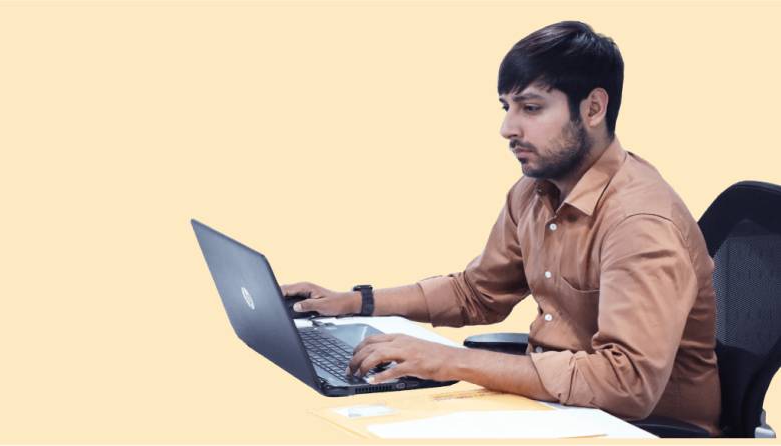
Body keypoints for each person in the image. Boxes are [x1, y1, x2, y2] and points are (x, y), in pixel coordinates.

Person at [280, 21, 721, 436]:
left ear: (592, 108)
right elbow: (476, 292)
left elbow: (627, 383)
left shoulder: (639, 223)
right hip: (558, 410)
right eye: (507, 107)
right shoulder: (534, 192)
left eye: (531, 108)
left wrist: (452, 361)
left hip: (640, 429)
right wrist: (355, 303)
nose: (508, 128)